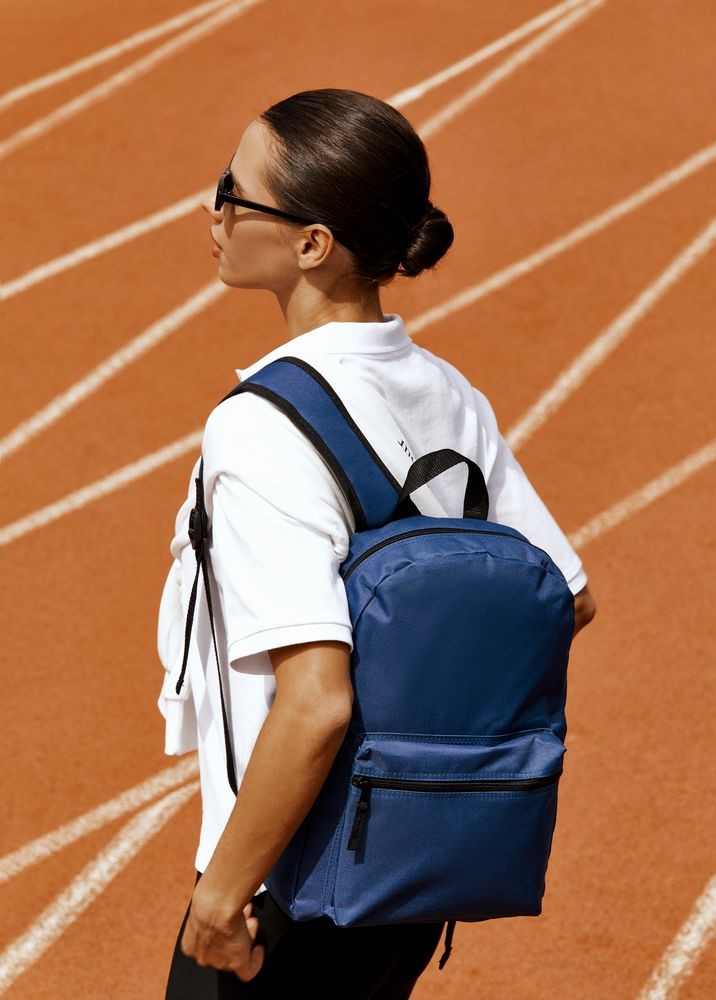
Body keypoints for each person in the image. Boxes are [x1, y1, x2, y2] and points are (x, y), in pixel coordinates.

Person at [159, 87, 597, 999]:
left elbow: (316, 701)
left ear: (312, 244)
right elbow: (566, 593)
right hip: (411, 875)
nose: (214, 209)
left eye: (233, 192)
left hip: (291, 885)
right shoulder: (446, 391)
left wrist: (222, 897)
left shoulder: (261, 426)